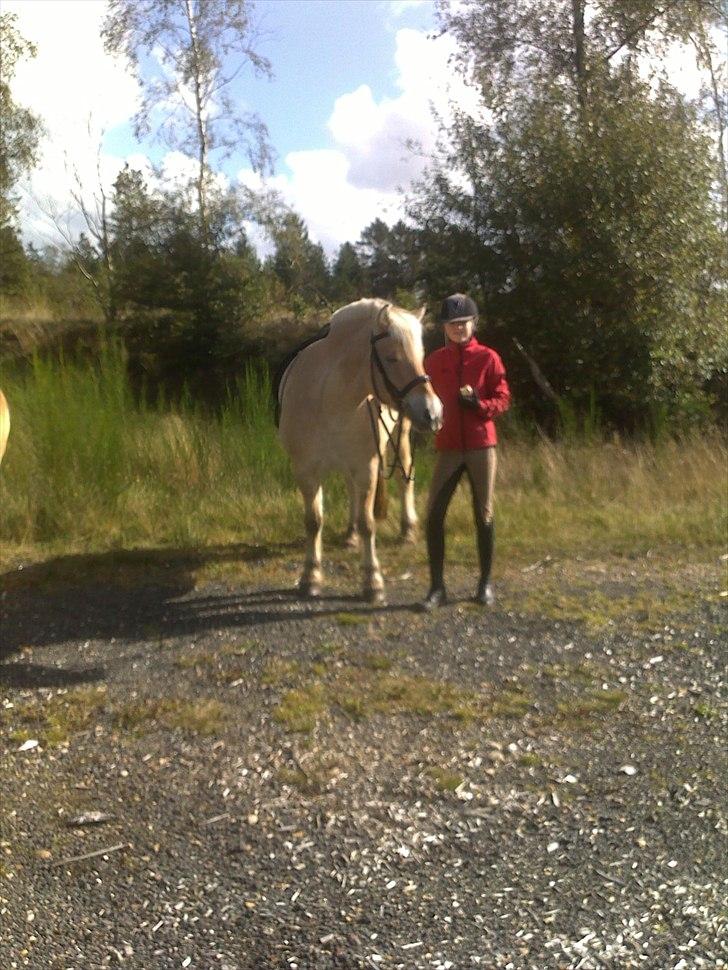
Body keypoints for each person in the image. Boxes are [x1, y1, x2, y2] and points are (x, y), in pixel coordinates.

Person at [419, 293, 511, 610]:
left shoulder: (488, 358)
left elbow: (503, 398)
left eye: (463, 323)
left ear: (473, 323)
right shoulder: (433, 362)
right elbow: (423, 398)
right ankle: (436, 588)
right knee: (433, 515)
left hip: (481, 445)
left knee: (483, 513)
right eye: (452, 324)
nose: (458, 328)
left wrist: (480, 405)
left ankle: (484, 584)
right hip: (447, 448)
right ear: (444, 328)